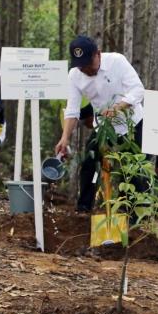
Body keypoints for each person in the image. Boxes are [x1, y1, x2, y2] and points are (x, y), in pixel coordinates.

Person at [54, 35, 146, 212]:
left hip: (132, 124)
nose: (86, 70)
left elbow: (138, 89)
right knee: (89, 162)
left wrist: (119, 106)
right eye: (81, 66)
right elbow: (72, 110)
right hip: (104, 127)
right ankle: (84, 208)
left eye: (89, 64)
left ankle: (134, 216)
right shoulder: (74, 76)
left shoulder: (117, 62)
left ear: (98, 54)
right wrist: (64, 138)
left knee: (134, 170)